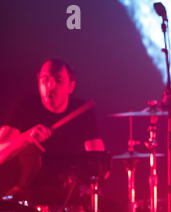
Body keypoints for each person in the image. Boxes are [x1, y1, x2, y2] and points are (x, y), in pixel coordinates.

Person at [0, 58, 105, 197]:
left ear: (71, 86)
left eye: (58, 80)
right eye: (45, 80)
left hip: (69, 196)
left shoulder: (82, 111)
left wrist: (91, 182)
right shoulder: (24, 108)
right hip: (28, 195)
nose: (50, 85)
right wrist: (26, 138)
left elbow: (99, 163)